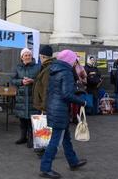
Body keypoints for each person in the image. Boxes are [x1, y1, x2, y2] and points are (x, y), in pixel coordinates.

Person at [40, 50, 87, 179]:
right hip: (60, 110)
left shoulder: (54, 69)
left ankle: (73, 162)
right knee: (55, 141)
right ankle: (45, 168)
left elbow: (56, 91)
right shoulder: (66, 72)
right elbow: (66, 94)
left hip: (54, 108)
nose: (74, 62)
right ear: (69, 60)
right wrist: (82, 101)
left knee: (66, 138)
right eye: (73, 60)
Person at [12, 48, 40, 148]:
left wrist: (33, 81)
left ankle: (31, 139)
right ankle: (23, 137)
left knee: (31, 121)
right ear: (21, 57)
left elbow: (41, 80)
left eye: (29, 55)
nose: (27, 57)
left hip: (33, 97)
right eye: (25, 55)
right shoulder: (18, 67)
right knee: (22, 120)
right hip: (22, 98)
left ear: (31, 56)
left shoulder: (37, 67)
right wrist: (21, 82)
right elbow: (12, 80)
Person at [33, 45, 54, 112]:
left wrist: (44, 107)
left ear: (43, 56)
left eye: (40, 57)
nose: (40, 59)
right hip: (44, 105)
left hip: (44, 107)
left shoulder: (47, 69)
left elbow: (46, 88)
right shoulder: (46, 67)